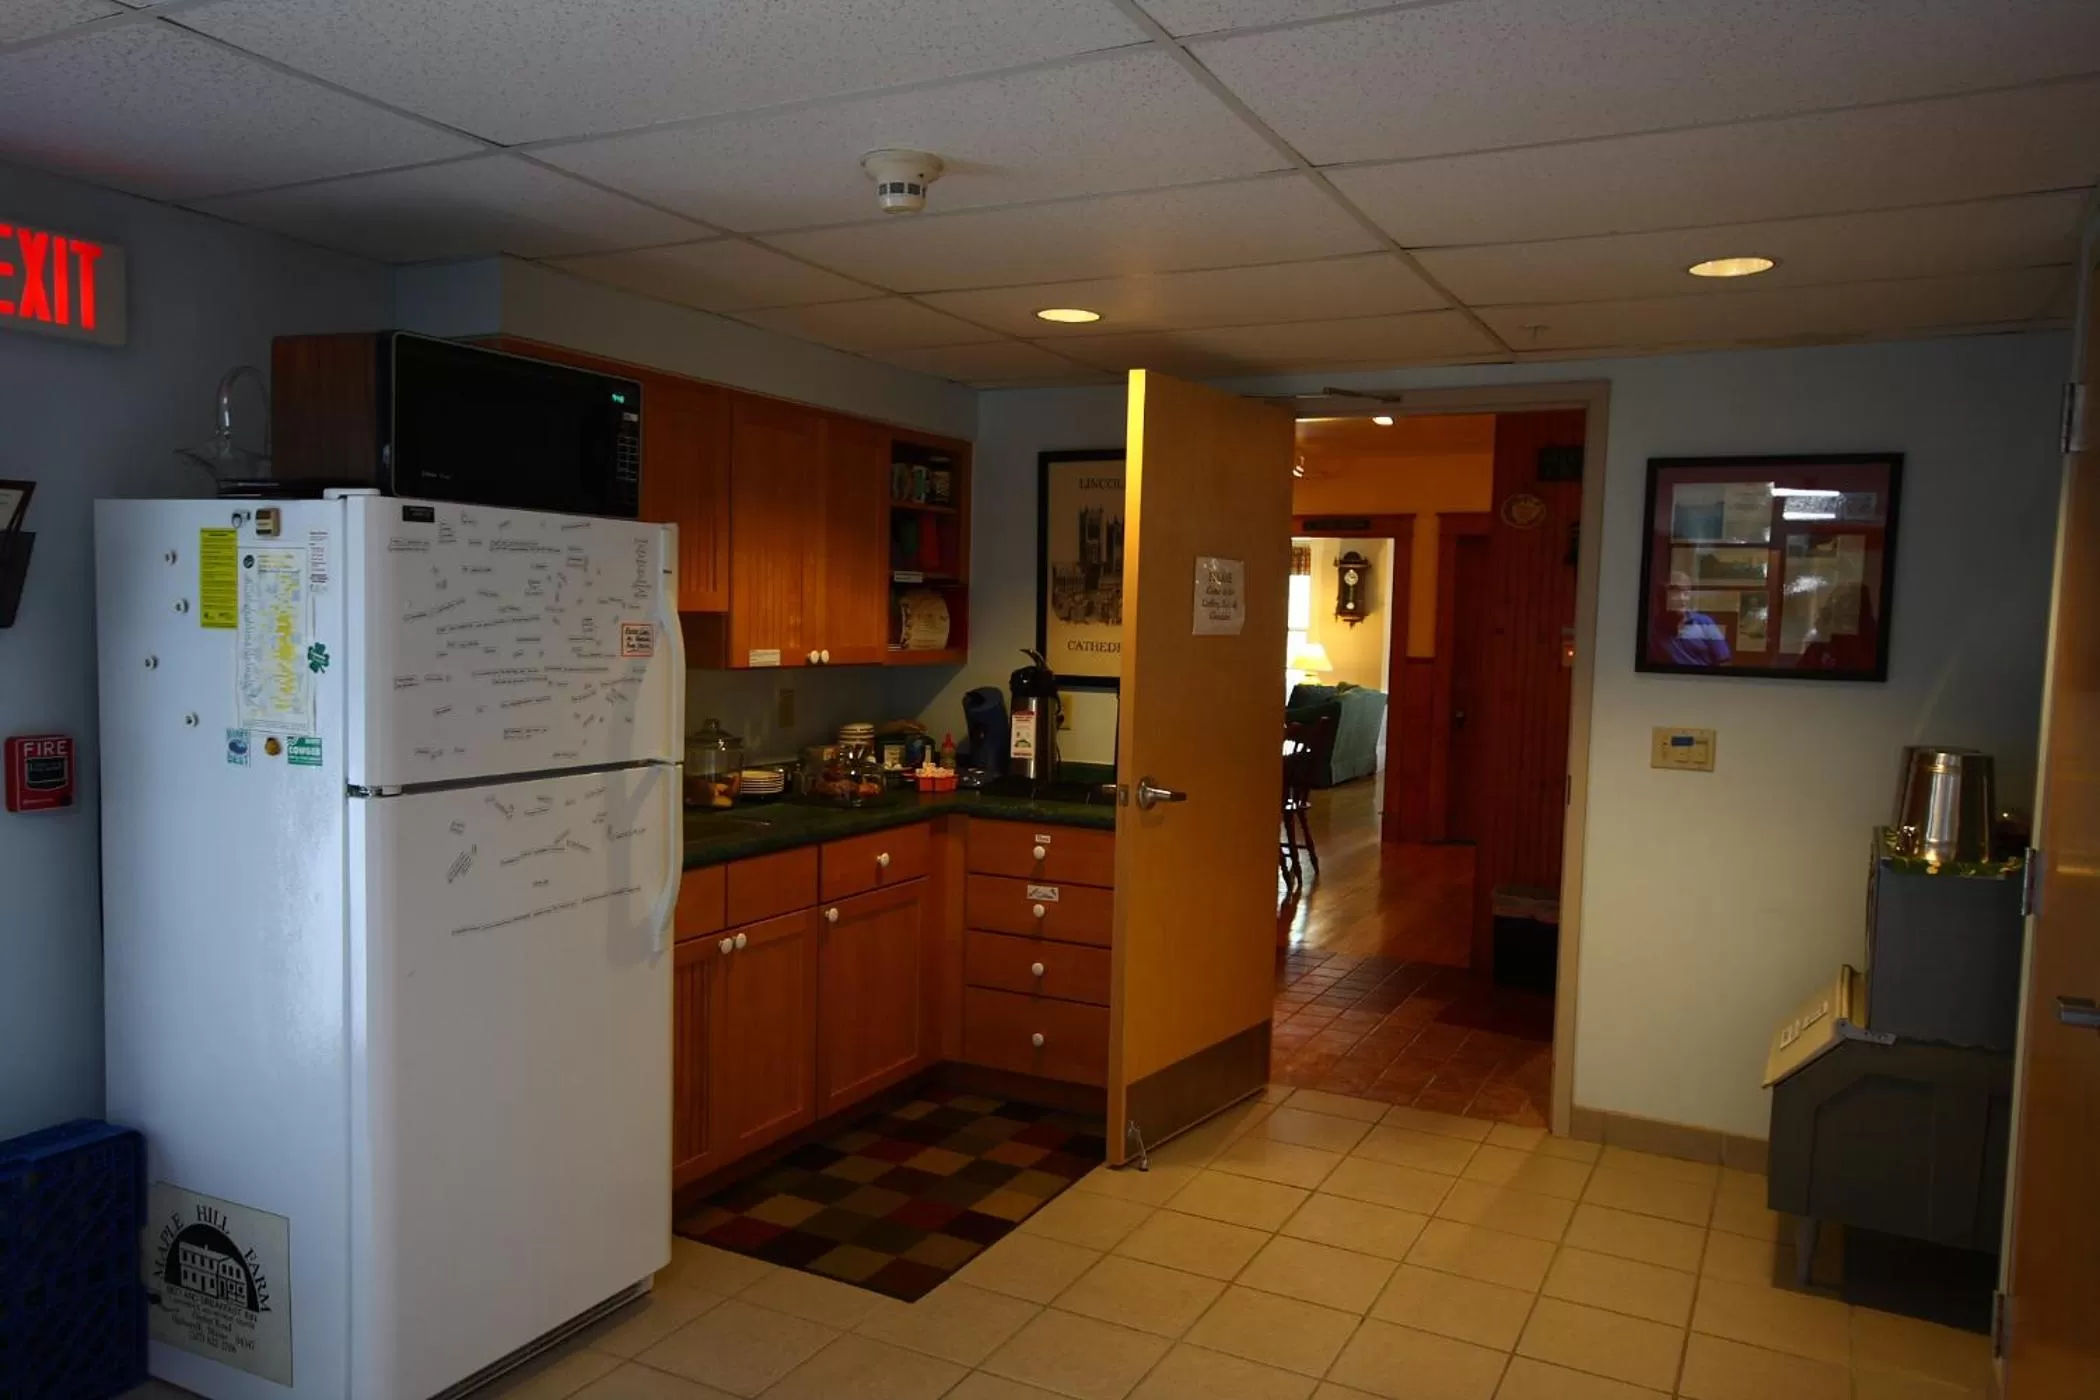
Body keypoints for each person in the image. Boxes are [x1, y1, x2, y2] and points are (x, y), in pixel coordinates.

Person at [1655, 571, 1731, 667]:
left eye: (1686, 593)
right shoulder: (1655, 629)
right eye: (1676, 593)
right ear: (1664, 597)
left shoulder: (1705, 623)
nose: (1683, 599)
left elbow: (1724, 661)